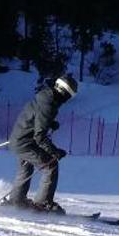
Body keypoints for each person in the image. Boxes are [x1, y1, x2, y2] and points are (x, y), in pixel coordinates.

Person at [7, 73, 77, 212]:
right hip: (26, 143)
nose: (67, 100)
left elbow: (36, 117)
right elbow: (40, 136)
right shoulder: (48, 103)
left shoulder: (46, 96)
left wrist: (49, 122)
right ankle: (42, 205)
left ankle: (16, 200)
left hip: (19, 139)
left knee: (26, 168)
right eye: (69, 96)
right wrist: (54, 152)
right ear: (64, 92)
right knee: (50, 165)